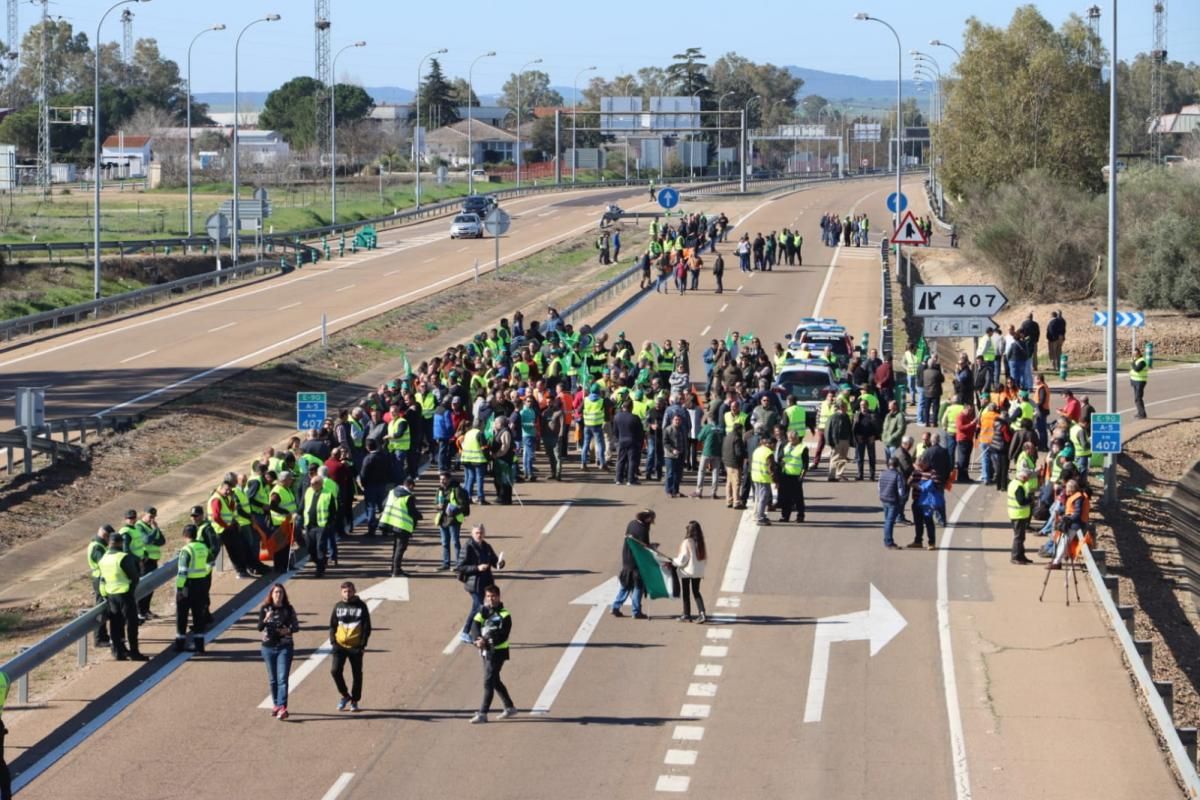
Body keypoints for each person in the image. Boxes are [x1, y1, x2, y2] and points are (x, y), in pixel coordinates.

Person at [469, 584, 517, 723]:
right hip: (485, 651)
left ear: (499, 596)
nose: (491, 599)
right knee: (495, 680)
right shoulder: (483, 611)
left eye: (493, 596)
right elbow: (475, 625)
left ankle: (483, 713)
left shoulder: (505, 615)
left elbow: (502, 635)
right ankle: (510, 707)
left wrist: (485, 640)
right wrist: (477, 639)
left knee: (488, 681)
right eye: (488, 596)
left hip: (498, 652)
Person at [99, 532, 146, 661]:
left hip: (110, 595)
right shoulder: (123, 557)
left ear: (109, 543)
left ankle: (118, 652)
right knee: (131, 624)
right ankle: (134, 652)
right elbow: (135, 577)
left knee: (115, 624)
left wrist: (105, 595)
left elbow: (102, 579)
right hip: (125, 595)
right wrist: (131, 591)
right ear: (120, 543)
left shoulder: (103, 558)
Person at [258, 583, 300, 720]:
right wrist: (266, 617)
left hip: (285, 647)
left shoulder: (288, 609)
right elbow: (259, 627)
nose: (278, 595)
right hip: (268, 647)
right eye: (276, 592)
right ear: (271, 594)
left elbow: (296, 626)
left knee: (282, 678)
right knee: (273, 679)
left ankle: (282, 706)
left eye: (281, 592)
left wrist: (288, 630)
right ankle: (276, 704)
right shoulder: (265, 608)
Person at [330, 581, 371, 712]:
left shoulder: (361, 607)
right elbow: (332, 625)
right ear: (341, 592)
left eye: (350, 591)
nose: (347, 594)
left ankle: (355, 700)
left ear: (354, 591)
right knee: (335, 671)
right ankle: (345, 695)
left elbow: (367, 627)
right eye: (345, 591)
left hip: (355, 647)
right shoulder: (338, 606)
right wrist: (333, 642)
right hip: (340, 646)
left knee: (357, 674)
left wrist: (362, 645)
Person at [457, 524, 503, 643]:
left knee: (481, 607)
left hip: (486, 583)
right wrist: (477, 568)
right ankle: (465, 632)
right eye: (477, 533)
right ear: (472, 534)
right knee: (478, 607)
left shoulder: (487, 546)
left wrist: (500, 563)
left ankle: (480, 630)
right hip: (474, 583)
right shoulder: (468, 547)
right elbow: (460, 566)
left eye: (481, 532)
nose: (479, 535)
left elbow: (494, 561)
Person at [611, 509, 655, 619]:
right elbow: (644, 547)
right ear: (647, 518)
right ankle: (636, 611)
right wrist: (652, 548)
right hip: (637, 562)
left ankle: (615, 606)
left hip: (626, 558)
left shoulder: (632, 523)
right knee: (638, 587)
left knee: (625, 584)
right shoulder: (643, 529)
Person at [173, 524, 210, 653]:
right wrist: (204, 575)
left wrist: (179, 589)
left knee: (182, 615)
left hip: (188, 586)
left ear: (184, 536)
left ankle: (180, 644)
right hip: (201, 584)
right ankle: (200, 646)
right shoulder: (203, 547)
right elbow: (210, 563)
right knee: (198, 616)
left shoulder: (186, 550)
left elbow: (182, 572)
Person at [380, 478, 420, 576]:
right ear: (410, 486)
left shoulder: (392, 492)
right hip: (403, 525)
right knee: (400, 548)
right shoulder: (409, 497)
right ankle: (396, 571)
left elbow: (383, 504)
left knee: (395, 548)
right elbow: (412, 512)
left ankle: (394, 569)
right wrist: (419, 516)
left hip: (392, 523)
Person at [673, 521, 708, 623]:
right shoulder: (701, 541)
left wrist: (674, 562)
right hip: (698, 571)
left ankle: (686, 614)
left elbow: (683, 558)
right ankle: (702, 612)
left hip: (687, 571)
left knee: (686, 593)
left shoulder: (687, 542)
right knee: (696, 592)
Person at [434, 472, 469, 570]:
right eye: (440, 479)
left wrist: (453, 510)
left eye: (444, 479)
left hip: (453, 520)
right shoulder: (439, 490)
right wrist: (438, 506)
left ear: (449, 479)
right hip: (442, 519)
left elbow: (463, 505)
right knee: (445, 542)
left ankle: (458, 564)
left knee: (455, 542)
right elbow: (435, 503)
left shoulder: (457, 490)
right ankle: (446, 563)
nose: (442, 481)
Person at [87, 525, 113, 648]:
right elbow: (103, 563)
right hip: (100, 580)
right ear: (105, 535)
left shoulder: (98, 544)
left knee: (104, 608)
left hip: (101, 579)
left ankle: (104, 636)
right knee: (101, 609)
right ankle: (99, 638)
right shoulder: (97, 547)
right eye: (109, 537)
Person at [1007, 469, 1034, 565]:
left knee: (1021, 537)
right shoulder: (1018, 486)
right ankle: (1015, 556)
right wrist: (1030, 500)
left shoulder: (1014, 483)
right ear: (1023, 477)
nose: (1028, 479)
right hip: (1018, 515)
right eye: (1027, 478)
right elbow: (1021, 501)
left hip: (1017, 514)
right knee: (1018, 537)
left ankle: (1021, 555)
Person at [878, 456, 905, 550]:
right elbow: (900, 489)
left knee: (887, 521)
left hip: (884, 499)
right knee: (889, 522)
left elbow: (879, 487)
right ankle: (889, 542)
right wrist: (902, 499)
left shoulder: (882, 473)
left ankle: (886, 540)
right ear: (897, 465)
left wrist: (881, 495)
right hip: (893, 500)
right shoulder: (898, 475)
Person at [1130, 346, 1150, 419]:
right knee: (1136, 398)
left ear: (1139, 354)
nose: (1134, 355)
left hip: (1140, 381)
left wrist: (1132, 362)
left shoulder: (1142, 361)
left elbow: (1137, 369)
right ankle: (1140, 412)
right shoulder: (1136, 360)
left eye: (1135, 354)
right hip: (1135, 381)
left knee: (1138, 398)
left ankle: (1142, 414)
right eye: (1133, 354)